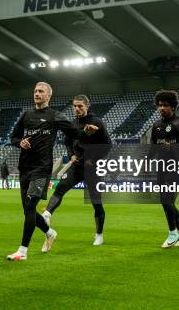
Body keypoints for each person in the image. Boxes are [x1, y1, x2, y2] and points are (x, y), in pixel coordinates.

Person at [6, 82, 99, 261]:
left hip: (42, 169)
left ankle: (22, 251)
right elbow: (13, 136)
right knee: (28, 210)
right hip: (25, 167)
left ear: (49, 96)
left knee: (31, 206)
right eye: (35, 91)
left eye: (41, 91)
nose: (37, 94)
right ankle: (50, 232)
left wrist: (86, 132)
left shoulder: (54, 116)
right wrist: (20, 142)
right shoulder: (26, 115)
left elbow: (75, 133)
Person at [42, 95, 112, 246]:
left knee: (96, 202)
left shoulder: (96, 122)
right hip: (77, 166)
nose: (77, 109)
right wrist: (71, 155)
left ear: (87, 106)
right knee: (60, 188)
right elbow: (67, 143)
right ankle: (47, 214)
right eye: (74, 106)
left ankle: (99, 235)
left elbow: (108, 145)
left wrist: (93, 159)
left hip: (93, 168)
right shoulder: (72, 124)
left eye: (80, 106)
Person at [149, 90, 179, 248]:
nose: (162, 108)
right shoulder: (156, 125)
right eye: (160, 105)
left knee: (166, 200)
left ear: (173, 107)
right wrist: (146, 162)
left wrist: (173, 146)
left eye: (165, 105)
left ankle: (172, 233)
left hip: (176, 166)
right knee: (165, 201)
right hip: (161, 167)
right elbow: (153, 147)